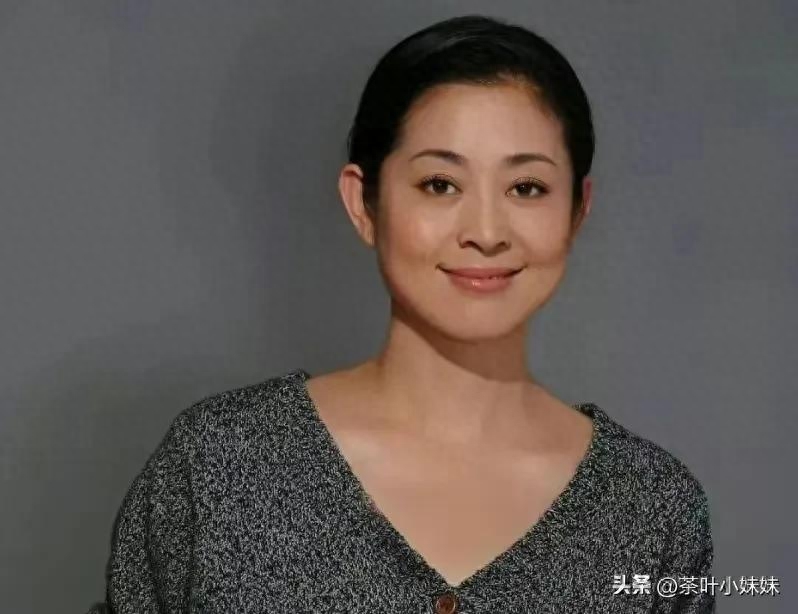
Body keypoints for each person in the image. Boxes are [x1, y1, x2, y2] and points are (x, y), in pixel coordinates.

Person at [87, 14, 715, 614]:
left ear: (577, 210)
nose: (486, 232)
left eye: (527, 188)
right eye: (440, 184)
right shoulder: (220, 463)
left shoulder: (651, 508)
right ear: (363, 203)